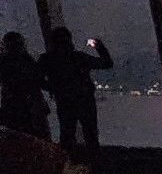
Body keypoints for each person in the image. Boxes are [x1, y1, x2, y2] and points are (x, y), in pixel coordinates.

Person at [38, 27, 113, 157]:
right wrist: (99, 47)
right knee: (91, 136)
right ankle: (95, 165)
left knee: (67, 136)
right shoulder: (79, 58)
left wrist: (53, 87)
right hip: (85, 100)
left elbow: (36, 79)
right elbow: (107, 63)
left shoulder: (47, 59)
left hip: (64, 101)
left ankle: (66, 166)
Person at [1, 30, 49, 138]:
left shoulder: (5, 62)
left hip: (16, 109)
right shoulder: (28, 61)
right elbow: (39, 81)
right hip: (32, 108)